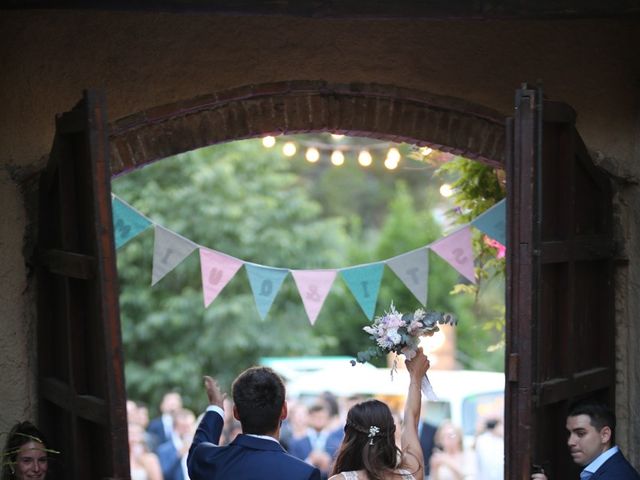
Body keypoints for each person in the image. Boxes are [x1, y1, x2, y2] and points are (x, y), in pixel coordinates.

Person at [187, 366, 322, 479]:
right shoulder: (303, 474)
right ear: (284, 411)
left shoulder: (210, 461)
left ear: (236, 413)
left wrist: (216, 408)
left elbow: (197, 450)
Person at [328, 348, 430, 480]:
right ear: (390, 433)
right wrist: (416, 376)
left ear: (350, 435)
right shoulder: (412, 475)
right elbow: (411, 419)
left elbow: (411, 419)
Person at [531, 399, 640, 480]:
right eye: (569, 433)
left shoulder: (615, 476)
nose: (570, 442)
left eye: (580, 433)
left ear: (605, 435)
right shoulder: (606, 469)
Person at [157, 408, 196, 480]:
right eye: (183, 427)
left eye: (190, 426)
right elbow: (165, 475)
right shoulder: (164, 449)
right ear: (174, 427)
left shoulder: (200, 446)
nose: (187, 430)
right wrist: (178, 455)